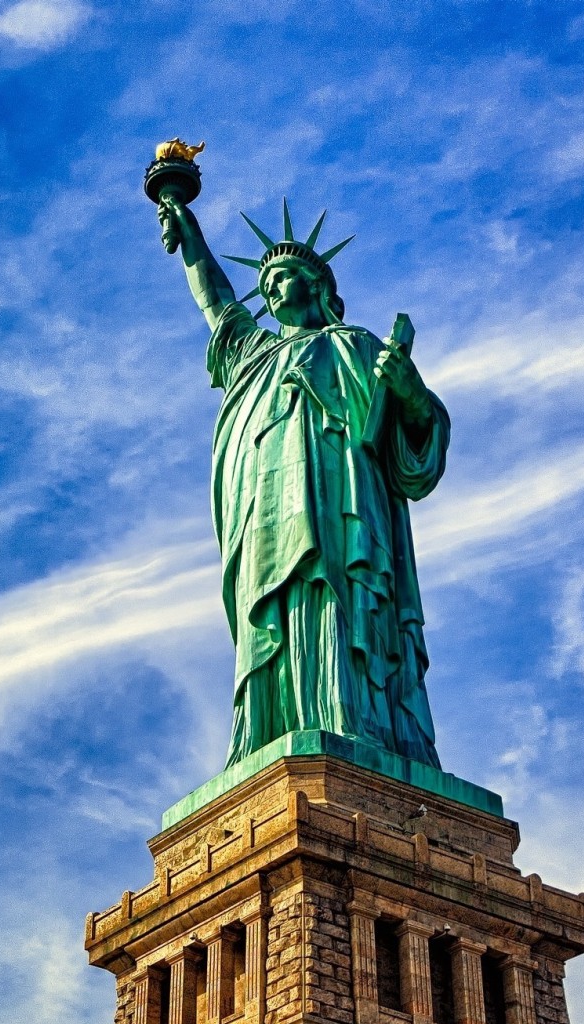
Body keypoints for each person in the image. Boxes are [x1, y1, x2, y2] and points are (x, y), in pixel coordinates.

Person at [156, 193, 449, 768]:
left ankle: (352, 716)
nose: (271, 290)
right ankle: (270, 728)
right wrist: (191, 239)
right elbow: (218, 303)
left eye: (284, 277)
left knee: (334, 597)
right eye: (265, 283)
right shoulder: (254, 357)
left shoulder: (357, 346)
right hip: (265, 514)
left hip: (342, 504)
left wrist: (412, 395)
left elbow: (417, 444)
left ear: (316, 286)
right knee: (277, 609)